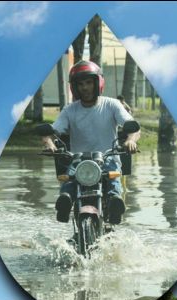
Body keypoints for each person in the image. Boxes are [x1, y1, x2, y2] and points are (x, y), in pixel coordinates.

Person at [47, 60, 140, 225]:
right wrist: (49, 143)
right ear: (75, 87)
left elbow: (133, 127)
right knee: (69, 178)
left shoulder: (112, 104)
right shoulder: (69, 110)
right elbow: (53, 132)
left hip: (107, 158)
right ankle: (65, 202)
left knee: (113, 176)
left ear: (98, 82)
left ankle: (114, 202)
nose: (85, 87)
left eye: (89, 82)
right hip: (79, 160)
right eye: (80, 84)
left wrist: (131, 140)